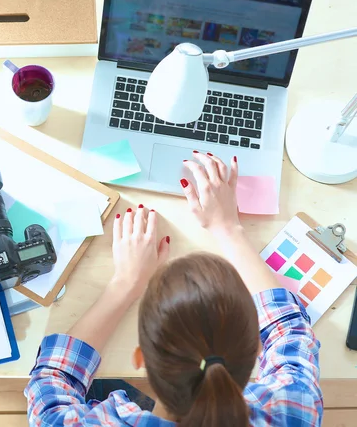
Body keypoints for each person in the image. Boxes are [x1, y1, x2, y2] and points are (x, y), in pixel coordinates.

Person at [25, 152, 323, 427]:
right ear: (256, 350)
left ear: (140, 357)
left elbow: (49, 395)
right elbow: (291, 331)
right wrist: (228, 228)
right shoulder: (293, 413)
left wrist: (124, 284)